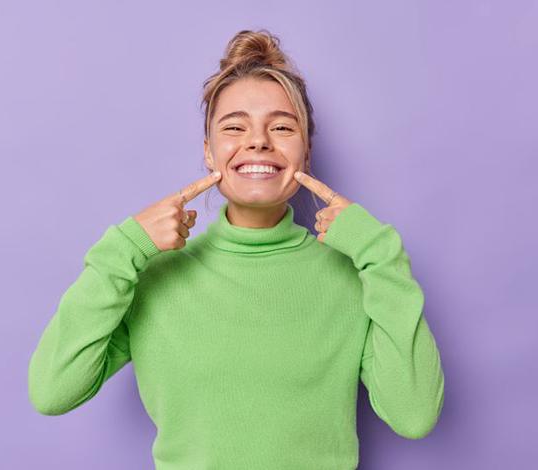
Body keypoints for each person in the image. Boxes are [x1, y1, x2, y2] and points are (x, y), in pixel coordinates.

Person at [28, 29, 445, 469]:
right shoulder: (152, 277)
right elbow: (53, 391)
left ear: (305, 153)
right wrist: (123, 247)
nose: (258, 141)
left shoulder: (355, 275)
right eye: (234, 127)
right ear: (210, 152)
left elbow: (414, 416)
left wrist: (382, 255)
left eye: (282, 127)